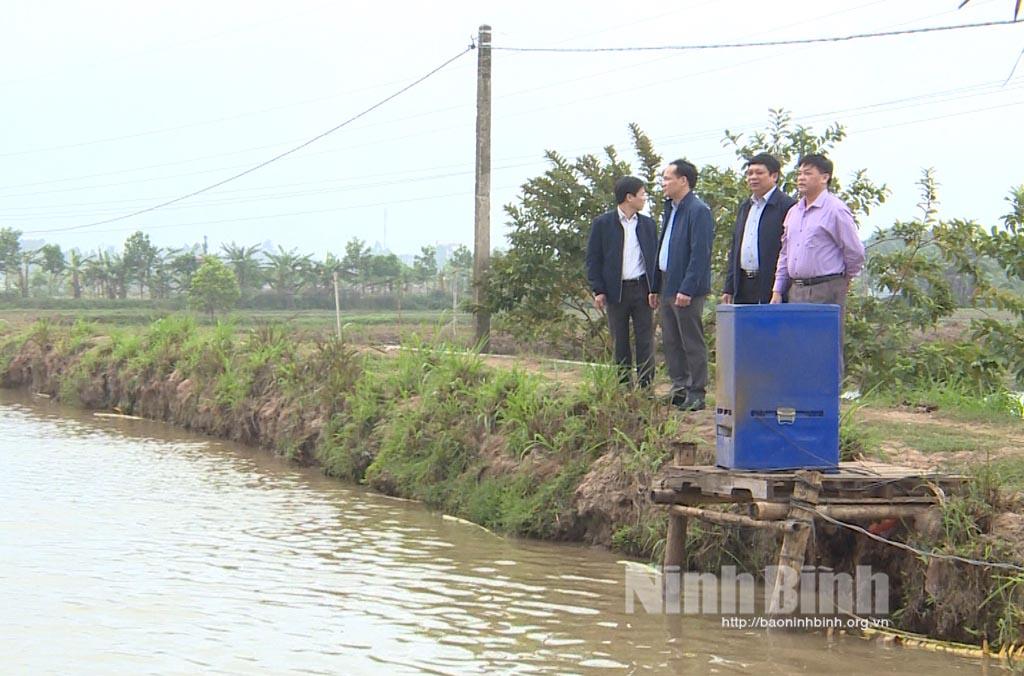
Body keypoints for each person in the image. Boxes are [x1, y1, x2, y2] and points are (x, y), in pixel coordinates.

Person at [770, 154, 866, 356]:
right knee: (798, 349)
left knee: (825, 349)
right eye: (799, 174)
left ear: (824, 178)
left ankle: (830, 380)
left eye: (807, 173)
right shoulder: (794, 212)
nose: (801, 178)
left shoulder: (836, 210)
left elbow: (854, 251)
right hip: (796, 289)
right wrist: (777, 289)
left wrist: (844, 279)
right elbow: (785, 253)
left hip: (826, 289)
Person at [651, 159, 714, 411]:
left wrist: (687, 288)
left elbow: (700, 254)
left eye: (668, 178)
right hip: (667, 282)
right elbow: (663, 249)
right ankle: (679, 388)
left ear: (683, 180)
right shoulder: (670, 208)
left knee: (691, 340)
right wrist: (655, 286)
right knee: (671, 340)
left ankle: (696, 392)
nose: (663, 183)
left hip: (687, 286)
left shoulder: (698, 210)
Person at [585, 176, 659, 388]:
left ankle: (646, 387)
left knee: (645, 340)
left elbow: (654, 259)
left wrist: (656, 288)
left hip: (643, 289)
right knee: (620, 341)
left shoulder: (648, 225)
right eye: (642, 194)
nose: (644, 198)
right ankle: (624, 386)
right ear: (629, 197)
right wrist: (598, 289)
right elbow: (593, 259)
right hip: (615, 291)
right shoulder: (603, 224)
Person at [721, 153, 796, 305]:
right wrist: (729, 287)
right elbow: (735, 248)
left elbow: (790, 249)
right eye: (749, 173)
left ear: (774, 176)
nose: (753, 177)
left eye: (759, 173)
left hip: (771, 285)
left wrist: (780, 288)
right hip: (744, 284)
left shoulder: (787, 206)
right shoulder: (745, 207)